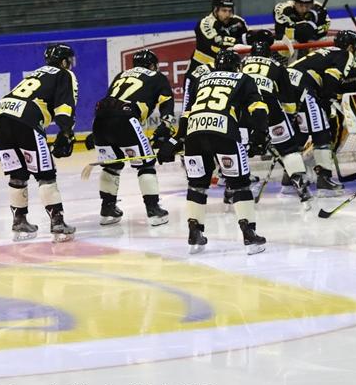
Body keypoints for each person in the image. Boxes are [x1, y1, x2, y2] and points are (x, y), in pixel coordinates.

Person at [177, 49, 270, 255]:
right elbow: (258, 107)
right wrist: (260, 134)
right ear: (237, 66)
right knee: (239, 184)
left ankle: (194, 232)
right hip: (224, 132)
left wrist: (178, 139)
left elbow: (187, 112)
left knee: (197, 185)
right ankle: (249, 234)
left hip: (194, 133)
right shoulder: (243, 78)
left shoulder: (202, 79)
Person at [0, 44, 78, 242]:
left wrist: (1, 141)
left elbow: (15, 102)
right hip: (27, 117)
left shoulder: (36, 73)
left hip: (3, 115)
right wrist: (66, 132)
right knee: (45, 174)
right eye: (69, 61)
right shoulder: (64, 74)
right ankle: (57, 222)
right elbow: (64, 106)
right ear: (64, 61)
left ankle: (19, 220)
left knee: (18, 174)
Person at [92, 49, 173, 226]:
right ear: (152, 65)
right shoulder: (157, 76)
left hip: (100, 119)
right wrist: (166, 124)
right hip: (125, 118)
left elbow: (110, 98)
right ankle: (153, 210)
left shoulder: (121, 75)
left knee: (111, 165)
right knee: (146, 164)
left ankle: (107, 209)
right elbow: (166, 101)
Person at [287, 30, 356, 195]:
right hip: (303, 86)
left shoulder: (325, 51)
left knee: (300, 131)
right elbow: (331, 78)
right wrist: (327, 101)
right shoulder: (345, 54)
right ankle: (324, 180)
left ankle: (290, 177)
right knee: (321, 132)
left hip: (287, 83)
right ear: (351, 47)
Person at [241, 29, 311, 204]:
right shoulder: (277, 66)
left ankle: (235, 186)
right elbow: (288, 100)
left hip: (245, 107)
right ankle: (300, 185)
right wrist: (290, 116)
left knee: (238, 147)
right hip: (270, 106)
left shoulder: (242, 63)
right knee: (288, 148)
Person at [188, 0, 248, 75]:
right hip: (202, 66)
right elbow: (216, 43)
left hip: (226, 66)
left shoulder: (238, 21)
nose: (228, 14)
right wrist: (238, 42)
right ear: (215, 10)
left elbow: (248, 39)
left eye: (230, 11)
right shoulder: (206, 23)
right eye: (224, 11)